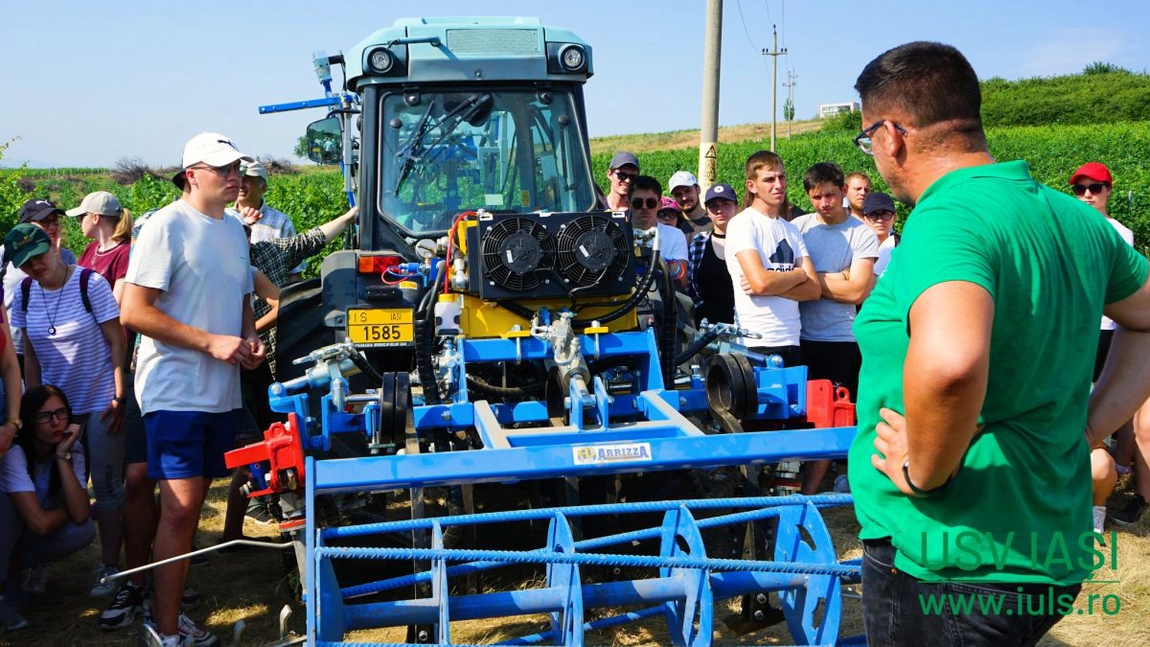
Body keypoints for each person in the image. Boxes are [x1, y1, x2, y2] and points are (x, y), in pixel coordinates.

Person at [848, 41, 1150, 646]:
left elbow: (953, 363)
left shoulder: (949, 218)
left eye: (867, 139)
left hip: (951, 555)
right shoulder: (1077, 219)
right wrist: (1087, 430)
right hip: (1045, 545)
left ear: (891, 136)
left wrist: (925, 470)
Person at [121, 132, 265, 647]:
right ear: (192, 174)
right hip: (174, 388)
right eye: (223, 168)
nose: (235, 176)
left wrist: (247, 340)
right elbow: (133, 312)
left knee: (188, 506)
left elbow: (242, 300)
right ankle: (164, 630)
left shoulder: (232, 232)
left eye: (237, 168)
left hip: (221, 391)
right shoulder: (164, 226)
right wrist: (211, 343)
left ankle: (169, 613)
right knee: (181, 509)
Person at [5, 223, 126, 597]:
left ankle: (110, 567)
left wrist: (120, 394)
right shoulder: (25, 294)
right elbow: (31, 359)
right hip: (56, 410)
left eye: (38, 257)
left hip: (99, 401)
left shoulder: (90, 284)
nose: (34, 267)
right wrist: (33, 405)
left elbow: (117, 339)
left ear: (54, 245)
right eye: (25, 263)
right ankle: (37, 564)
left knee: (106, 488)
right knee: (54, 486)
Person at [1068, 161, 1147, 529]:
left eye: (1094, 188)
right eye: (1080, 189)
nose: (1087, 195)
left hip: (1110, 327)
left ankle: (1114, 468)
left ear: (1108, 191)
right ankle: (1095, 465)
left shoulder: (1119, 233)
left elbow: (1103, 281)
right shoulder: (1067, 228)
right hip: (1077, 327)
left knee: (1118, 399)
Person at [793, 162, 878, 494]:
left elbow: (858, 291)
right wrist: (837, 277)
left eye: (830, 195)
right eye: (817, 197)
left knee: (831, 417)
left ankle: (811, 492)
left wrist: (811, 280)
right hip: (799, 336)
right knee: (800, 418)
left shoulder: (861, 233)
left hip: (840, 340)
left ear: (844, 192)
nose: (824, 203)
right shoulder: (798, 227)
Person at [0, 385, 96, 630]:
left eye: (61, 413)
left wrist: (62, 457)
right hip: (10, 529)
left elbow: (82, 515)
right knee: (9, 510)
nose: (56, 422)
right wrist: (68, 509)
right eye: (45, 416)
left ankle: (11, 572)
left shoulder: (71, 448)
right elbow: (39, 523)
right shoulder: (15, 452)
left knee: (83, 530)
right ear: (29, 421)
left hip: (24, 536)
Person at [725, 150, 820, 365]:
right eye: (769, 179)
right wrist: (798, 274)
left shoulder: (791, 230)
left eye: (781, 177)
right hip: (755, 340)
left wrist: (773, 283)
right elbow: (760, 283)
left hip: (792, 339)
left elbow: (814, 290)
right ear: (752, 185)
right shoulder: (742, 224)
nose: (778, 185)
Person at [3, 199, 78, 373]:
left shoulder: (67, 257)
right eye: (45, 222)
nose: (52, 226)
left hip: (50, 347)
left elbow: (70, 298)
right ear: (26, 225)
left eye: (55, 221)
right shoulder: (4, 255)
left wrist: (56, 260)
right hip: (12, 347)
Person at [229, 161, 305, 281]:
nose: (241, 185)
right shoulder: (225, 217)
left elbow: (294, 271)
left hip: (272, 296)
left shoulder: (281, 222)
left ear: (263, 188)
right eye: (239, 179)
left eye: (249, 180)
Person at [687, 183, 738, 327]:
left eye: (725, 204)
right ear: (707, 212)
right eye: (713, 206)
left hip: (741, 323)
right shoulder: (699, 243)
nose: (720, 210)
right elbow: (690, 286)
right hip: (705, 325)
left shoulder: (748, 241)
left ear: (736, 207)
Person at [68, 191, 133, 302]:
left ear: (95, 218)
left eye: (81, 217)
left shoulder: (125, 253)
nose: (80, 223)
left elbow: (115, 305)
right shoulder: (91, 248)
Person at [629, 176, 689, 288]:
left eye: (650, 203)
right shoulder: (618, 233)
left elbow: (682, 281)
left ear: (659, 205)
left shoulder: (675, 235)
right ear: (629, 204)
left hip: (662, 299)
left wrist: (655, 261)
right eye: (638, 203)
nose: (644, 207)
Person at [861, 192, 899, 276]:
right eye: (873, 215)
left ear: (894, 217)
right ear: (863, 219)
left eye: (885, 214)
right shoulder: (855, 247)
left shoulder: (903, 246)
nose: (880, 220)